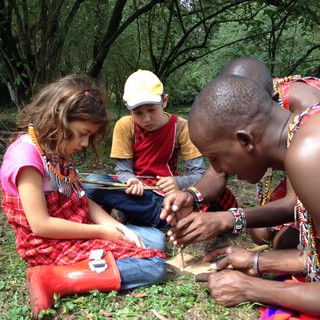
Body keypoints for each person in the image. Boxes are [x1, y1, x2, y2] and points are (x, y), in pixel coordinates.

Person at [0, 75, 167, 318]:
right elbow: (40, 225)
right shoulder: (26, 157)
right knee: (155, 266)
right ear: (58, 119)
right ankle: (56, 279)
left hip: (77, 228)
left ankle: (94, 260)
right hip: (48, 244)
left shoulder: (55, 147)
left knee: (156, 240)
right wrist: (101, 233)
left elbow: (80, 198)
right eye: (82, 134)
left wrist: (114, 228)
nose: (85, 143)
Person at [163, 74, 320, 317]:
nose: (218, 169)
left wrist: (252, 288)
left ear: (245, 140)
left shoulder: (308, 153)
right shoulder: (304, 133)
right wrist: (257, 262)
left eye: (215, 158)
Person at [84, 69, 237, 228]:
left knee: (219, 194)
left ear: (164, 101)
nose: (146, 119)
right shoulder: (125, 126)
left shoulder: (181, 127)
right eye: (138, 113)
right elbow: (123, 170)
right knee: (92, 183)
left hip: (167, 193)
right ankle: (164, 217)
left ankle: (135, 214)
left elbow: (199, 174)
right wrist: (129, 180)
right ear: (128, 109)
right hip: (135, 191)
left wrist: (178, 182)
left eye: (152, 110)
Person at [219, 57, 320, 248]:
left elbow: (292, 203)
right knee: (261, 232)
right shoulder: (272, 126)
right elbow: (216, 173)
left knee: (285, 242)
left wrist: (229, 219)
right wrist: (192, 195)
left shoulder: (307, 142)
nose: (220, 167)